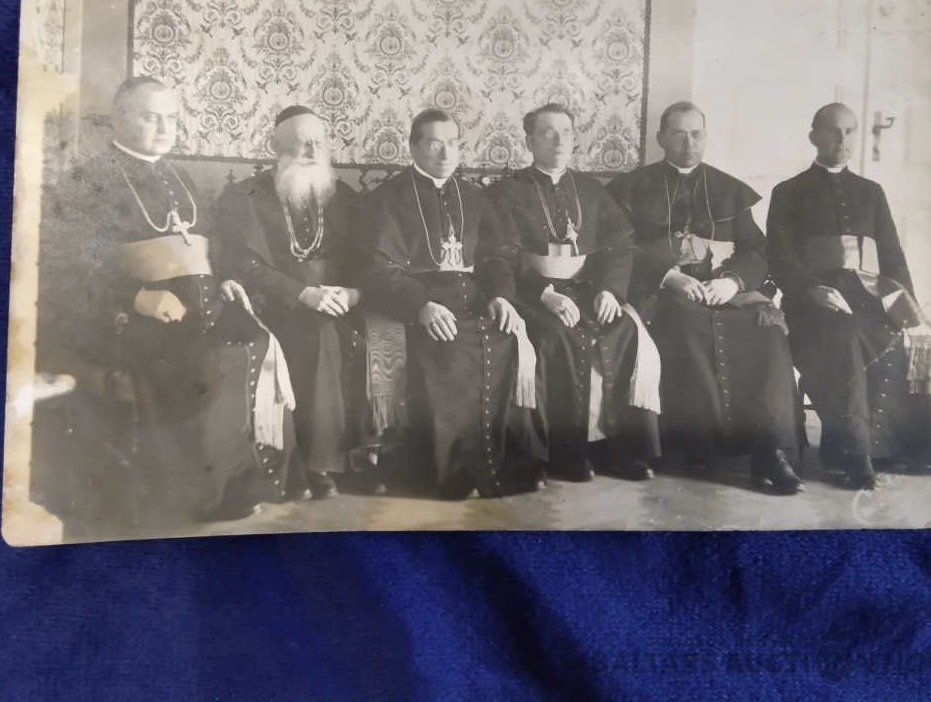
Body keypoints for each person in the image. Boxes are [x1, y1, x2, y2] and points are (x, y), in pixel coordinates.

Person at [32, 77, 303, 539]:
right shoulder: (88, 180)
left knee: (257, 339)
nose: (164, 128)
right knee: (200, 359)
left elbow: (207, 245)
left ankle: (244, 480)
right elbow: (66, 268)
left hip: (199, 306)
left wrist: (225, 279)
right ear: (120, 119)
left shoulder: (179, 176)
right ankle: (197, 495)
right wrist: (135, 297)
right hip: (123, 317)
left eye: (171, 118)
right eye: (150, 117)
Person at [608, 102, 805, 494]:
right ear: (661, 138)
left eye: (696, 134)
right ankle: (697, 447)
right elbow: (620, 249)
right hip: (662, 291)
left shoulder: (728, 189)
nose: (689, 143)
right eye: (679, 134)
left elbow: (756, 250)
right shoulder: (630, 188)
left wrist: (732, 282)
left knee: (767, 333)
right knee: (683, 325)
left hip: (723, 291)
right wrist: (669, 277)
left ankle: (769, 450)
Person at [360, 108, 547, 499]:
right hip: (420, 304)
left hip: (475, 300)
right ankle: (454, 472)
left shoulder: (476, 197)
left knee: (510, 337)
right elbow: (378, 269)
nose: (446, 153)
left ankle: (506, 464)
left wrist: (501, 297)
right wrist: (421, 305)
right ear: (413, 147)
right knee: (451, 351)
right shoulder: (388, 198)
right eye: (434, 144)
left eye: (453, 143)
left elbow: (497, 258)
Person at [766, 103, 931, 489]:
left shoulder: (871, 192)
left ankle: (912, 447)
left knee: (910, 335)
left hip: (869, 295)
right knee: (846, 336)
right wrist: (811, 288)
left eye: (850, 131)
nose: (842, 139)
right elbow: (778, 257)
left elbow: (892, 256)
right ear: (814, 136)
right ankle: (854, 454)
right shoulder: (788, 192)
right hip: (811, 303)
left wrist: (910, 309)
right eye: (833, 130)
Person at [210, 105, 383, 499]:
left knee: (372, 334)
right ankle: (317, 466)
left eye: (319, 143)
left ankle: (359, 460)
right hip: (276, 302)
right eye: (303, 143)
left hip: (339, 301)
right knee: (319, 335)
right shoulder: (246, 196)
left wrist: (354, 293)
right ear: (276, 146)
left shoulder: (342, 196)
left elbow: (367, 259)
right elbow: (244, 263)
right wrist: (303, 294)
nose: (312, 150)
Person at [489, 103, 661, 483]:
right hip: (531, 292)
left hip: (586, 289)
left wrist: (611, 291)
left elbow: (620, 249)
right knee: (558, 335)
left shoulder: (591, 190)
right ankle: (567, 454)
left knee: (622, 330)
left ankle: (618, 451)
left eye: (565, 132)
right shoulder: (506, 191)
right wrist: (543, 293)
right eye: (548, 133)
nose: (558, 141)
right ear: (529, 141)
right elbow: (500, 257)